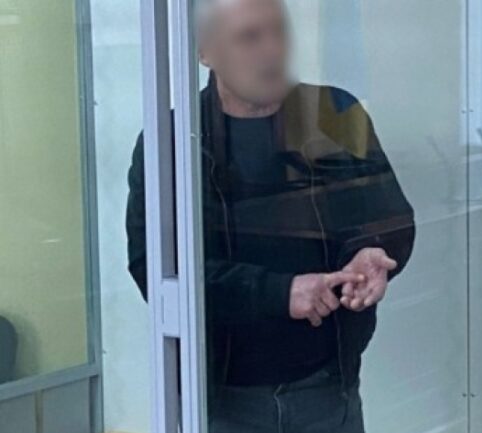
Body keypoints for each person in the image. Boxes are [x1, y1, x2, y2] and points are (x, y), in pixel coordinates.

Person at [125, 0, 415, 432]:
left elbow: (390, 215)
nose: (272, 50)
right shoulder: (172, 140)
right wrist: (279, 293)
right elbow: (154, 269)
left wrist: (372, 253)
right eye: (249, 37)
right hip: (224, 399)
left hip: (328, 387)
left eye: (279, 31)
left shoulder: (334, 113)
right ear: (205, 51)